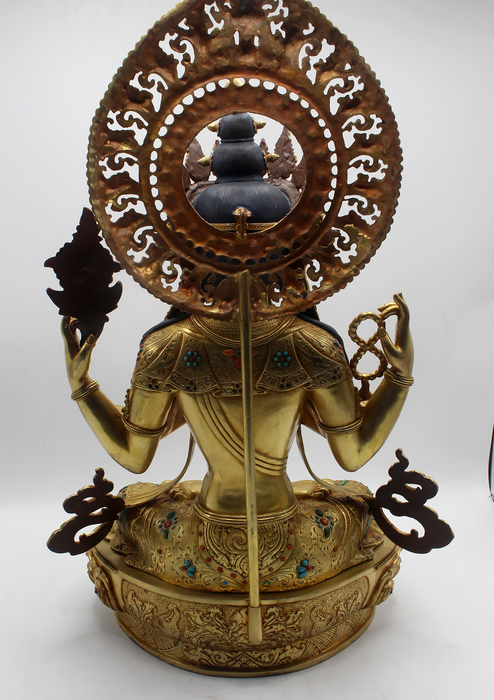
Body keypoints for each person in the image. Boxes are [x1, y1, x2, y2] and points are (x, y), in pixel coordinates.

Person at [62, 292, 413, 592]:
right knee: (356, 502)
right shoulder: (312, 343)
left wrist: (82, 386)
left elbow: (134, 456)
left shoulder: (168, 345)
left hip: (201, 543)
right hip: (293, 542)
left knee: (131, 507)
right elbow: (353, 454)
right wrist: (399, 377)